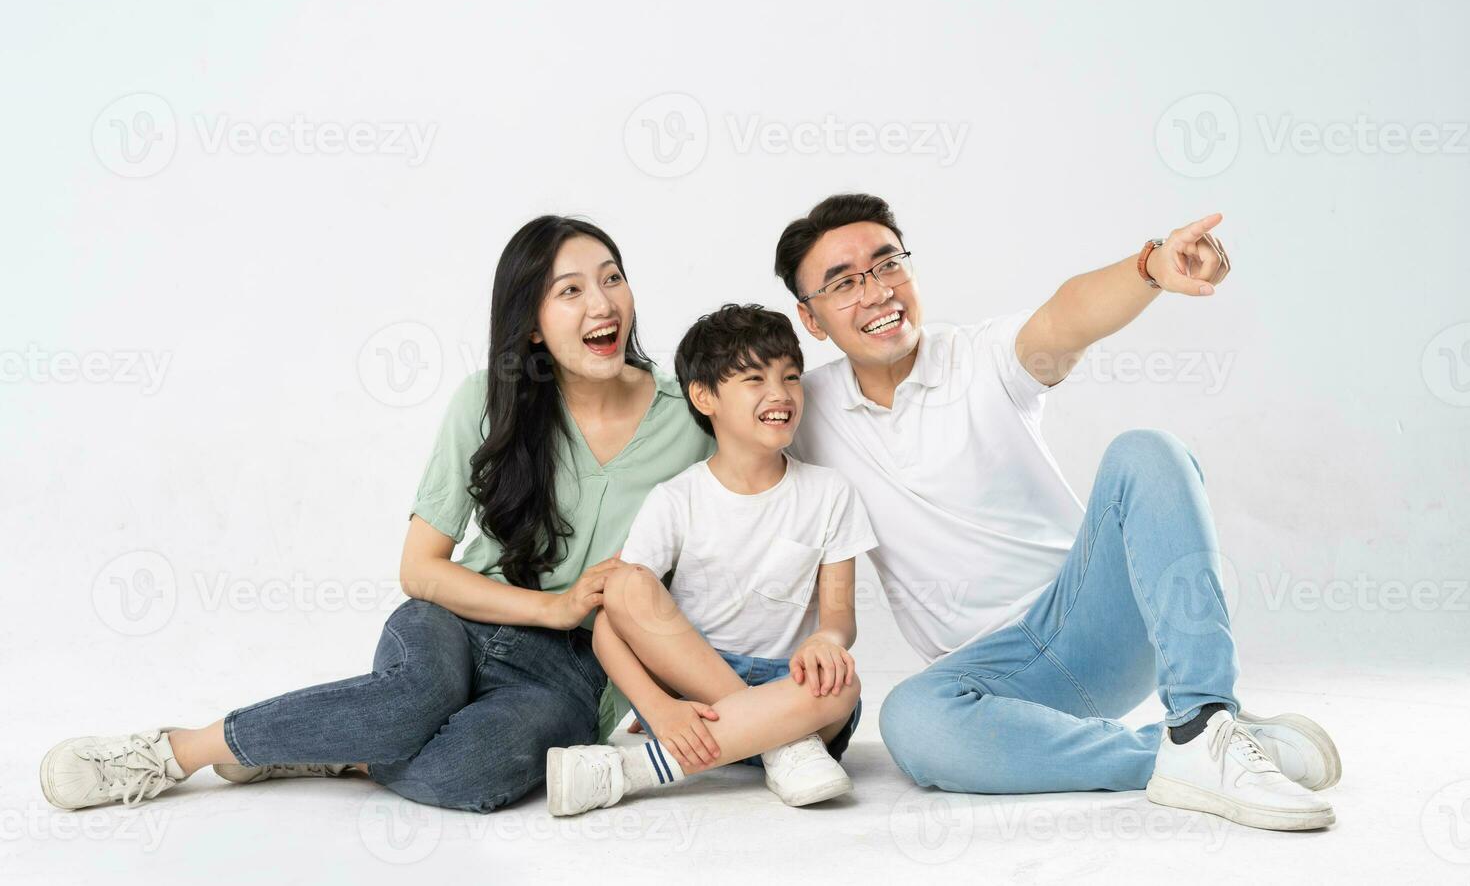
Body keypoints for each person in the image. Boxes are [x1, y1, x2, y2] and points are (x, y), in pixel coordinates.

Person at [40, 215, 714, 813]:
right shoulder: (487, 402)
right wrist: (554, 604)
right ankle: (178, 749)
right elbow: (420, 570)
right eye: (571, 290)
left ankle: (339, 745)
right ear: (532, 325)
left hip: (577, 671)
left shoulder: (688, 414)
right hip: (459, 623)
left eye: (612, 278)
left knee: (472, 771)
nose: (603, 303)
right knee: (411, 701)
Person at [774, 192, 1342, 832]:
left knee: (1146, 453)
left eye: (887, 265)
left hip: (1094, 623)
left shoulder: (979, 358)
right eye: (845, 283)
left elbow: (1068, 318)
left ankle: (1204, 715)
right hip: (993, 680)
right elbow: (714, 427)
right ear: (812, 319)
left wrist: (1152, 266)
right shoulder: (799, 410)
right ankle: (1193, 752)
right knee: (911, 719)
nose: (876, 292)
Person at [545, 304, 875, 817]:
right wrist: (657, 706)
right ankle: (784, 747)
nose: (780, 393)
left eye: (791, 376)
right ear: (704, 397)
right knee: (626, 584)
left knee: (845, 685)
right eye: (754, 378)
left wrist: (826, 643)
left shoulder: (831, 493)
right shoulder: (677, 498)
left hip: (791, 691)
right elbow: (612, 623)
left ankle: (631, 772)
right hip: (688, 698)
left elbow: (838, 619)